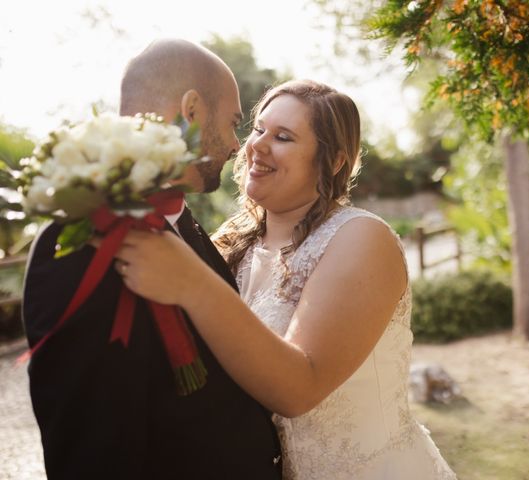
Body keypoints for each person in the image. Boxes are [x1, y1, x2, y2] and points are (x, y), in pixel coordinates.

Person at [113, 79, 457, 479]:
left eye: (283, 137)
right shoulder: (230, 241)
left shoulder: (362, 238)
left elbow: (300, 389)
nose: (256, 145)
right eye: (257, 129)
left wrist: (192, 282)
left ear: (333, 162)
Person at [22, 38, 282, 480]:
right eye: (234, 122)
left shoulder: (184, 221)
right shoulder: (81, 238)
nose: (238, 146)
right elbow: (91, 450)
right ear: (193, 109)